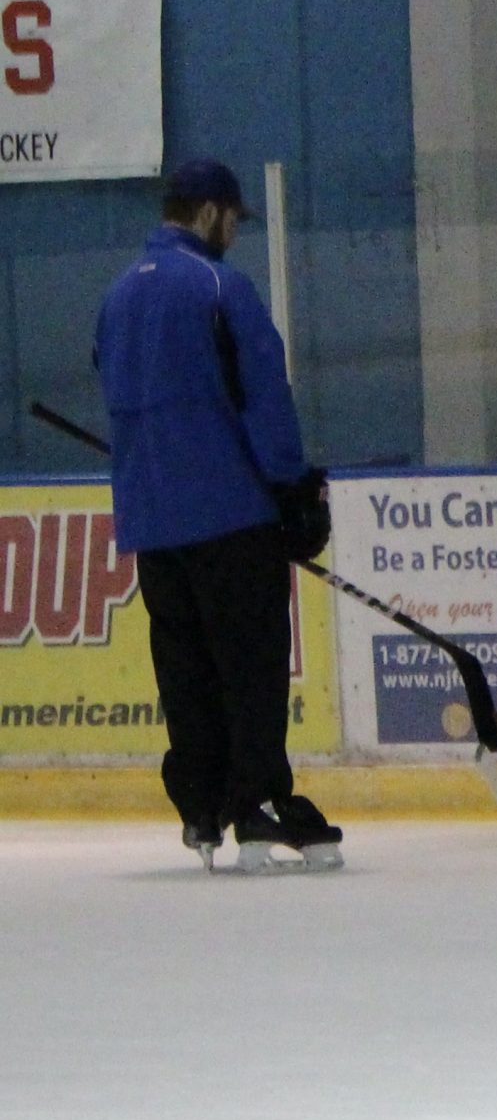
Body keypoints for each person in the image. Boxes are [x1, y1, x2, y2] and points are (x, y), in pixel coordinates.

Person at [92, 157, 339, 873]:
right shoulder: (218, 286)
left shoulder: (116, 295)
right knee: (248, 666)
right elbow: (264, 394)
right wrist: (293, 488)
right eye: (233, 220)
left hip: (152, 522)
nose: (235, 233)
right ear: (209, 213)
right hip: (229, 513)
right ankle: (257, 803)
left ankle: (200, 805)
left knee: (187, 669)